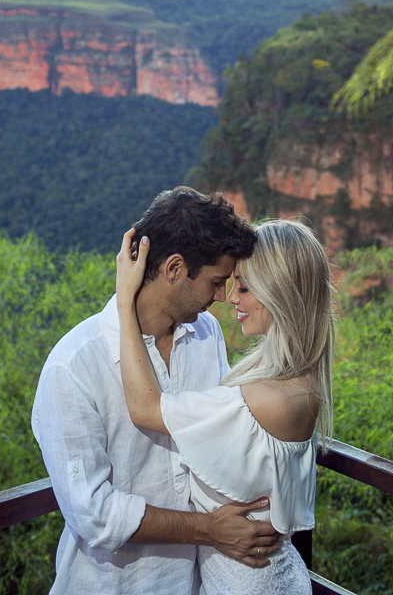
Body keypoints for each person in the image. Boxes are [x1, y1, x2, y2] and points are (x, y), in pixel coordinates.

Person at [32, 187, 281, 595]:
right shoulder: (74, 365)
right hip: (111, 584)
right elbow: (92, 511)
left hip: (194, 584)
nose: (222, 297)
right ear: (174, 268)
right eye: (216, 282)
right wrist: (209, 531)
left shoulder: (206, 334)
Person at [115, 217, 335, 595]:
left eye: (244, 287)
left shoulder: (264, 400)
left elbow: (146, 409)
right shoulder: (300, 382)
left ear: (281, 294)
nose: (231, 297)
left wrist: (124, 301)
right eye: (231, 282)